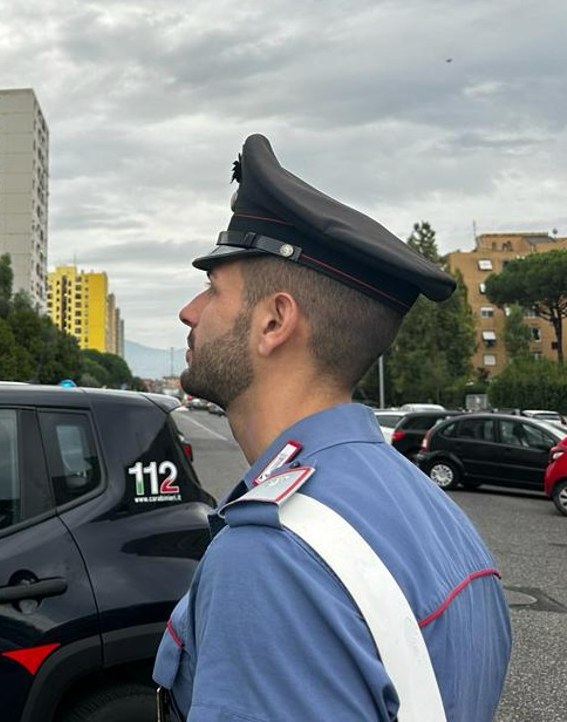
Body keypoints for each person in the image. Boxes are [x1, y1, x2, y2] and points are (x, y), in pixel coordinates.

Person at [153, 135, 511, 721]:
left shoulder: (271, 557)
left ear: (273, 321)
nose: (189, 311)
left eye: (214, 289)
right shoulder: (435, 512)